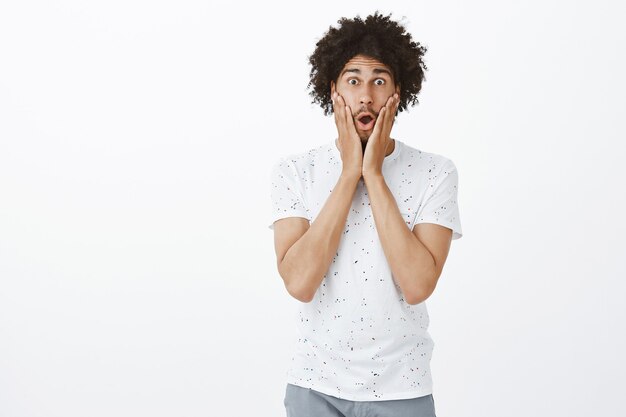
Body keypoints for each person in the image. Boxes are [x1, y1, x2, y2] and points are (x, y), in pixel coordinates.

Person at [268, 11, 463, 417]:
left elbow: (417, 285)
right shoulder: (295, 171)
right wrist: (347, 176)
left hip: (402, 388)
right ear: (332, 90)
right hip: (313, 386)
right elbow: (300, 283)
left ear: (398, 92)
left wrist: (373, 174)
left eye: (379, 80)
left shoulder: (434, 172)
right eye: (353, 80)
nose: (366, 97)